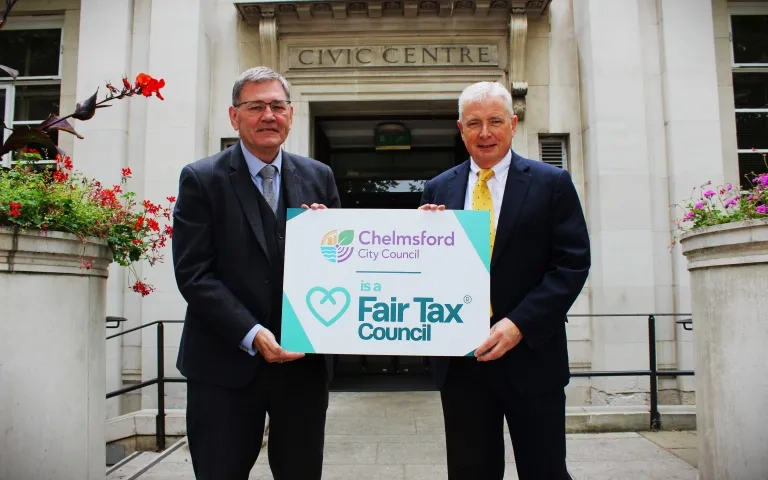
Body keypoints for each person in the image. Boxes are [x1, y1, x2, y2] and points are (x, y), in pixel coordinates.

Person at [171, 66, 339, 480]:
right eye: (256, 106)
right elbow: (194, 273)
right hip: (224, 367)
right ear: (234, 116)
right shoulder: (201, 178)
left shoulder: (319, 177)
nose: (269, 115)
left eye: (277, 106)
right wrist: (252, 333)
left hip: (302, 369)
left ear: (291, 114)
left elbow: (340, 266)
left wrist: (330, 238)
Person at [419, 81, 590, 479]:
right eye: (474, 123)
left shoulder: (552, 183)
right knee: (469, 471)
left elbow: (572, 264)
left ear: (513, 124)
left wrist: (518, 325)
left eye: (495, 121)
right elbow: (425, 272)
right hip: (462, 363)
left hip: (531, 355)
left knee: (544, 469)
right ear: (460, 128)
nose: (485, 133)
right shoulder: (437, 188)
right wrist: (422, 239)